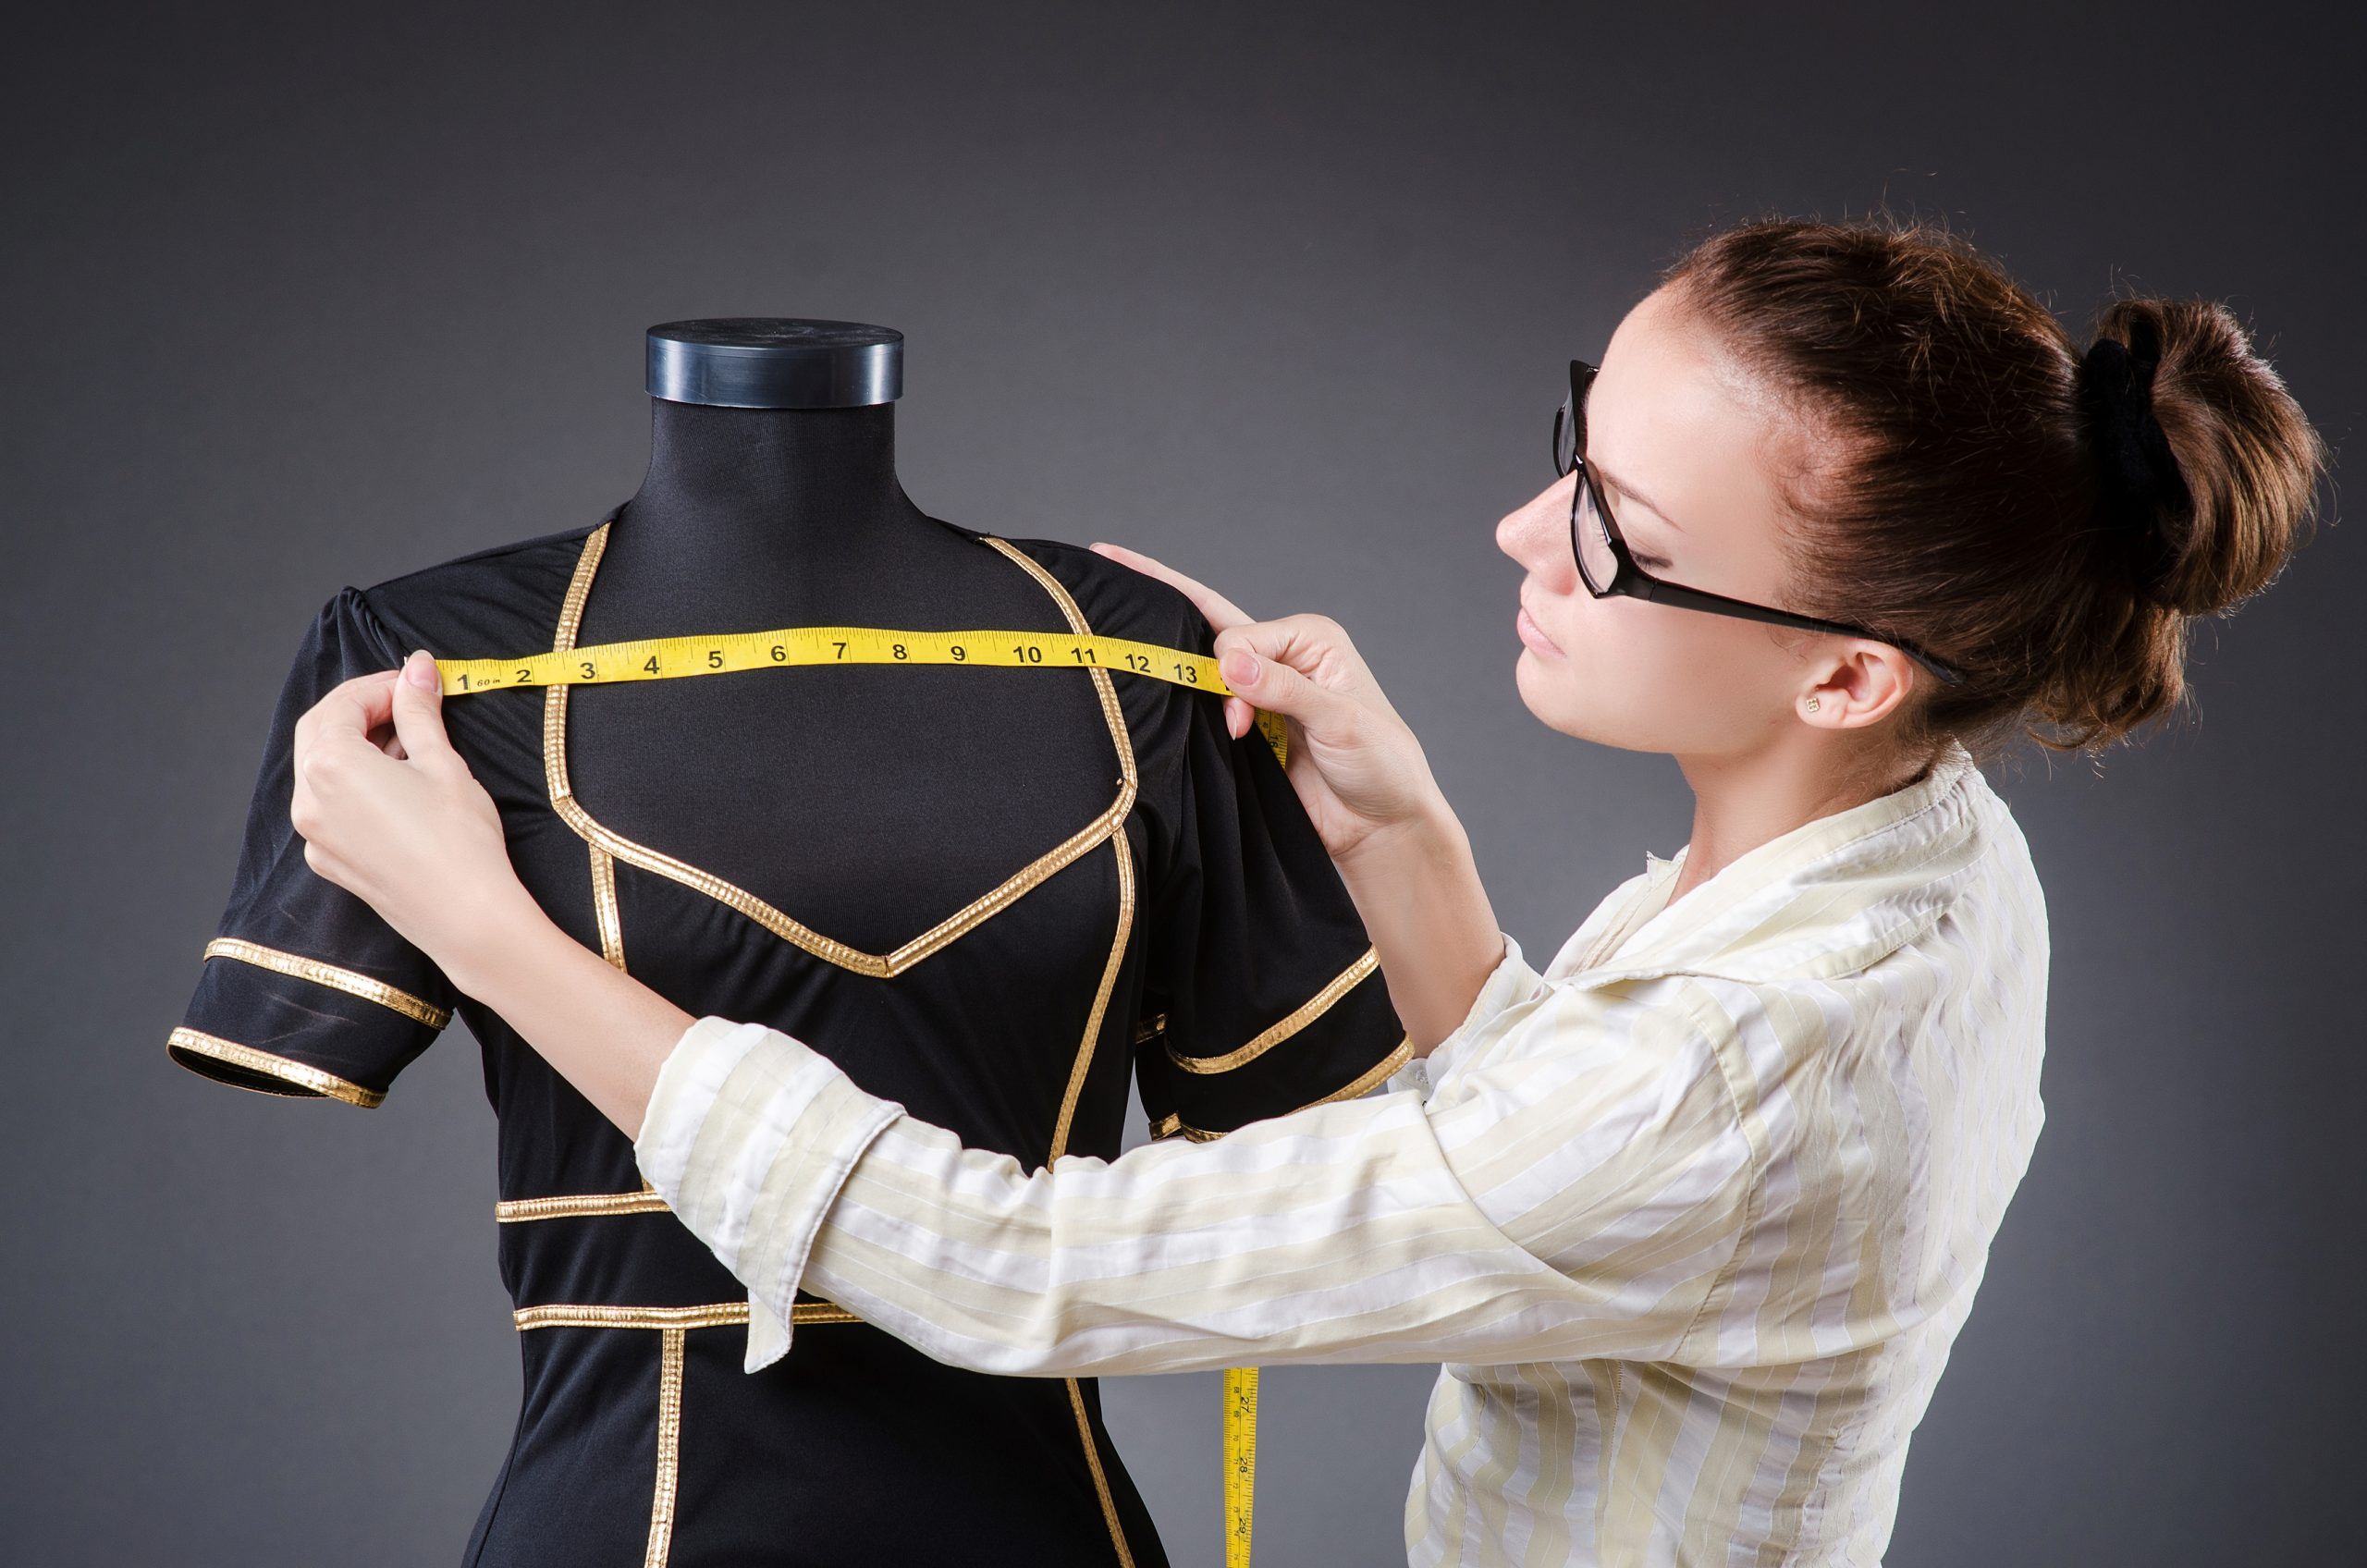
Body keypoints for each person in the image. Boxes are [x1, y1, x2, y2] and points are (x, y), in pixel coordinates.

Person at [280, 217, 2324, 1564]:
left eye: (1616, 526)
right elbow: (1579, 1157)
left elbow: (1010, 1271)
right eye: (1572, 440)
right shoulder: (1927, 846)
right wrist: (1401, 839)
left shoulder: (1742, 1067)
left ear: (1846, 672)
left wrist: (490, 934)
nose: (1521, 527)